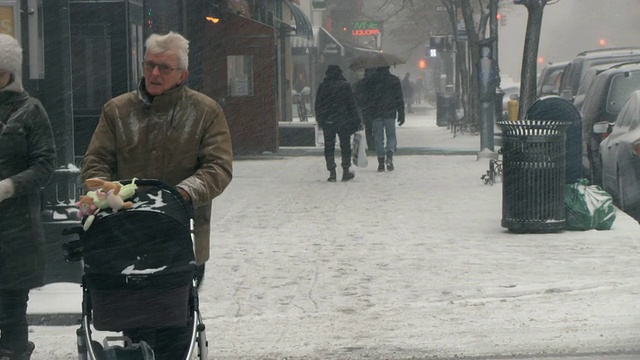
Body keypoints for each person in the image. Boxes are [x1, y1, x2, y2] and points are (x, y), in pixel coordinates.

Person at [80, 31, 233, 360]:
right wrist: (102, 191)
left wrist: (181, 194)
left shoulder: (205, 112)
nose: (154, 74)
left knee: (174, 321)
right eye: (150, 65)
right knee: (135, 320)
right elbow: (96, 162)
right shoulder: (117, 111)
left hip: (182, 235)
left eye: (165, 67)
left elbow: (218, 167)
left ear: (183, 74)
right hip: (125, 235)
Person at [0, 34, 56, 360]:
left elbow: (45, 165)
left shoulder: (31, 111)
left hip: (17, 232)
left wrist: (10, 187)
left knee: (11, 311)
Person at [315, 65, 361, 182]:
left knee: (329, 146)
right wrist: (356, 119)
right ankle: (346, 170)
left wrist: (321, 119)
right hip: (343, 121)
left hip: (328, 121)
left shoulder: (323, 86)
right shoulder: (345, 86)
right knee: (345, 146)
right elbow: (351, 104)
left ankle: (332, 172)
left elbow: (318, 105)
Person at [360, 67, 405, 172]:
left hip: (376, 113)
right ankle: (389, 156)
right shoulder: (394, 80)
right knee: (391, 136)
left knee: (378, 138)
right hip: (390, 112)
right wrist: (401, 112)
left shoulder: (371, 81)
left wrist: (368, 111)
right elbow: (399, 97)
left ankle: (380, 162)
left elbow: (367, 98)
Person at [354, 68, 375, 152]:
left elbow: (356, 95)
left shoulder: (360, 83)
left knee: (368, 127)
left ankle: (370, 144)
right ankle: (377, 143)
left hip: (365, 108)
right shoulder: (375, 83)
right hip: (375, 108)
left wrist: (360, 104)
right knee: (376, 127)